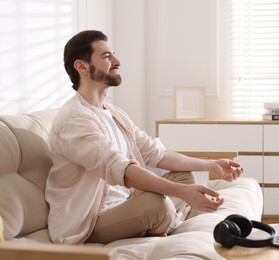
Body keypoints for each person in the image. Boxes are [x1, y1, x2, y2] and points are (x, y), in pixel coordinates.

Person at [45, 30, 244, 244]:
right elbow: (122, 169)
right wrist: (184, 193)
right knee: (156, 205)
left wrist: (211, 165)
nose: (117, 61)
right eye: (106, 56)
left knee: (183, 175)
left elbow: (154, 153)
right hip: (91, 221)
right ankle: (164, 220)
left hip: (126, 202)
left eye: (114, 54)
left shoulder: (113, 113)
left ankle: (160, 222)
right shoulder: (74, 120)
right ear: (82, 67)